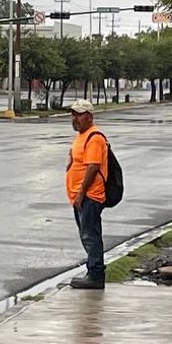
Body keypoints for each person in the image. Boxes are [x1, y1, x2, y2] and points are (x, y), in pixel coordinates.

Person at [66, 99, 108, 290]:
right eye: (73, 114)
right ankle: (92, 271)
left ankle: (96, 275)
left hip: (89, 197)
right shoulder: (82, 136)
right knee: (86, 235)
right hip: (80, 197)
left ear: (89, 116)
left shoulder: (95, 137)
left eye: (78, 114)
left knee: (90, 236)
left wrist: (81, 193)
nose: (74, 118)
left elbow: (93, 167)